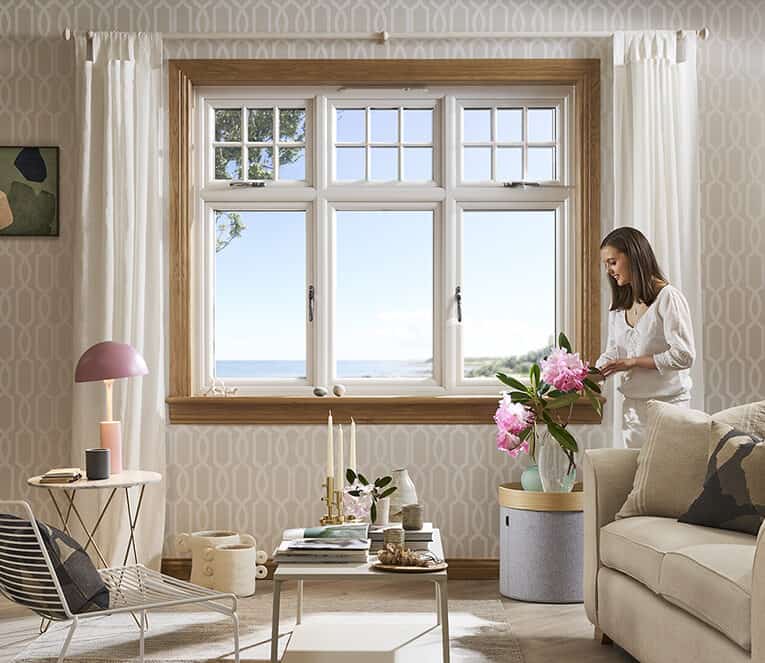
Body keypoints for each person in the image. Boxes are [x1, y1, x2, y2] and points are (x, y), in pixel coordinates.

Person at [595, 227, 695, 448]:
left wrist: (633, 362)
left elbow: (684, 355)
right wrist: (589, 376)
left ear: (633, 256)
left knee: (667, 479)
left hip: (669, 409)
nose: (609, 270)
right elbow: (614, 352)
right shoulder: (620, 307)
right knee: (636, 478)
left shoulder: (668, 297)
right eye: (605, 265)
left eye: (612, 262)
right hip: (632, 412)